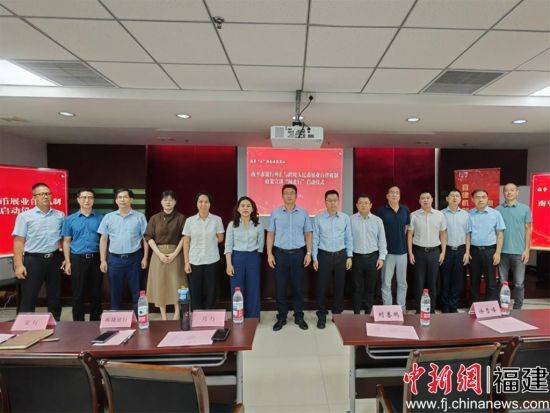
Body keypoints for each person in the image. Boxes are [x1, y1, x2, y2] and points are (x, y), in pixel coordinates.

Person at [12, 183, 65, 320]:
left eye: (48, 193)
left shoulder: (60, 215)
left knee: (55, 296)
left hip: (54, 259)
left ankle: (55, 323)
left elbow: (63, 239)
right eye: (41, 194)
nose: (45, 196)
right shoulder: (24, 216)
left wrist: (66, 258)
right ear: (34, 197)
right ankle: (25, 325)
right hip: (33, 260)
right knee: (29, 296)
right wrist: (18, 265)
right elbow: (18, 241)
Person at [267, 184, 312, 331]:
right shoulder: (275, 213)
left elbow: (308, 233)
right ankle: (282, 317)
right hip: (280, 254)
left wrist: (309, 253)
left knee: (298, 287)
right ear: (282, 195)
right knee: (280, 287)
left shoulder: (303, 212)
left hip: (298, 254)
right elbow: (271, 234)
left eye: (292, 193)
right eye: (286, 193)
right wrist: (269, 253)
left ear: (296, 195)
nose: (289, 195)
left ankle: (299, 316)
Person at [98, 189, 149, 312]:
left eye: (125, 197)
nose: (122, 200)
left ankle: (139, 318)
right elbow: (103, 239)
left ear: (131, 199)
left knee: (137, 291)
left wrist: (145, 257)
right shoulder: (108, 217)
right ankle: (116, 317)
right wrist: (103, 260)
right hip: (114, 260)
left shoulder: (140, 217)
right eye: (119, 197)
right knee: (115, 292)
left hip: (135, 259)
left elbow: (145, 239)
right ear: (116, 200)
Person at [61, 188, 104, 321]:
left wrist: (103, 260)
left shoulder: (101, 218)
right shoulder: (70, 219)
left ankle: (95, 321)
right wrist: (68, 261)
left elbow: (104, 240)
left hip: (96, 258)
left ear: (93, 200)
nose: (87, 200)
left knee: (96, 292)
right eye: (84, 197)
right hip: (77, 259)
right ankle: (78, 323)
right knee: (78, 293)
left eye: (90, 197)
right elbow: (66, 241)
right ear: (78, 199)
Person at [312, 190, 352, 329]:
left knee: (339, 286)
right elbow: (315, 238)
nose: (332, 203)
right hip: (324, 255)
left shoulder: (345, 218)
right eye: (330, 200)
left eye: (335, 200)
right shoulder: (318, 218)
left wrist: (349, 256)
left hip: (341, 256)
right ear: (325, 202)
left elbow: (348, 238)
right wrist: (315, 258)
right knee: (321, 287)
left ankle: (337, 314)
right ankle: (321, 315)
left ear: (338, 201)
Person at [144, 190, 187, 320]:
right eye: (165, 200)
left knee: (177, 283)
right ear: (161, 202)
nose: (168, 202)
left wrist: (174, 254)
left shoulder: (181, 218)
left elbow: (184, 237)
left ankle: (176, 315)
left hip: (176, 253)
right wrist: (159, 254)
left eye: (171, 200)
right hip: (158, 254)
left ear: (175, 202)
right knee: (160, 284)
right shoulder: (154, 218)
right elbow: (148, 237)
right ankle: (163, 316)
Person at [183, 193, 224, 310]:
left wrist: (210, 242)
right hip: (194, 260)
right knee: (195, 291)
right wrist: (186, 262)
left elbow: (221, 238)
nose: (203, 204)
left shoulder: (217, 220)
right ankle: (197, 314)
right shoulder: (190, 221)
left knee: (211, 291)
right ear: (196, 204)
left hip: (212, 260)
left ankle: (210, 314)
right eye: (200, 201)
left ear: (210, 204)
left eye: (206, 202)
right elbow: (186, 242)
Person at [225, 196, 264, 318]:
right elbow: (228, 246)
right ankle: (238, 315)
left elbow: (261, 246)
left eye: (248, 206)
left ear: (252, 209)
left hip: (253, 257)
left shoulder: (258, 225)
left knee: (253, 287)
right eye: (242, 206)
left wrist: (255, 257)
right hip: (237, 258)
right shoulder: (232, 225)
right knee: (237, 288)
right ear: (238, 209)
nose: (245, 208)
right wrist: (229, 264)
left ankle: (253, 317)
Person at [407, 191, 447, 313]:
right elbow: (410, 235)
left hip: (435, 252)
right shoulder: (413, 215)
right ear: (419, 201)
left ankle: (432, 309)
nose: (425, 200)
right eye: (423, 198)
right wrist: (410, 253)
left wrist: (443, 252)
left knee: (433, 282)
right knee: (418, 282)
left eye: (428, 198)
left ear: (432, 200)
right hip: (418, 252)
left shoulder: (440, 215)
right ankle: (419, 310)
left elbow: (443, 234)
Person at [496, 183, 532, 309]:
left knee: (519, 283)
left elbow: (528, 230)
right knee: (502, 283)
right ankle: (503, 306)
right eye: (506, 190)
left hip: (519, 252)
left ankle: (518, 308)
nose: (509, 192)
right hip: (502, 252)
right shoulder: (498, 210)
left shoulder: (525, 209)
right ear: (503, 193)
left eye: (512, 190)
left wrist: (527, 250)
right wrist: (497, 251)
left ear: (517, 192)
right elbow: (496, 232)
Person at [467, 189, 506, 302]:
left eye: (483, 197)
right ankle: (474, 306)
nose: (481, 199)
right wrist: (467, 252)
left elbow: (500, 235)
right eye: (478, 197)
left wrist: (498, 253)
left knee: (491, 281)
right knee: (474, 280)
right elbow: (468, 235)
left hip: (490, 251)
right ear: (473, 199)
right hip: (474, 252)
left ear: (487, 199)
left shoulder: (495, 214)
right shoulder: (469, 214)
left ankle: (491, 305)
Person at [350, 194, 387, 315]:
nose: (363, 205)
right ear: (357, 205)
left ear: (370, 205)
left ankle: (367, 314)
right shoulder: (350, 220)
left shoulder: (377, 220)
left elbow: (382, 240)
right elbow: (348, 240)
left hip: (373, 258)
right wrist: (349, 256)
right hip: (356, 258)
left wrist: (381, 258)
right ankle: (356, 314)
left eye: (366, 203)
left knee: (370, 288)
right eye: (360, 203)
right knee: (357, 288)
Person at [375, 186, 410, 310]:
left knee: (402, 283)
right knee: (386, 282)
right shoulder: (381, 211)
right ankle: (388, 309)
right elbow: (378, 231)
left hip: (402, 252)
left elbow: (406, 228)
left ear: (399, 196)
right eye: (392, 193)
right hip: (387, 253)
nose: (394, 195)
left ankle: (401, 308)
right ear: (387, 196)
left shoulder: (405, 210)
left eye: (397, 193)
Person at [440, 189, 470, 313]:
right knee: (445, 279)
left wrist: (467, 252)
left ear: (460, 199)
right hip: (446, 250)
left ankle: (453, 306)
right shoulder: (440, 214)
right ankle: (444, 306)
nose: (455, 198)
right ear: (447, 198)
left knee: (458, 280)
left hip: (461, 250)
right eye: (452, 195)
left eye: (457, 196)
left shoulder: (466, 215)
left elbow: (468, 234)